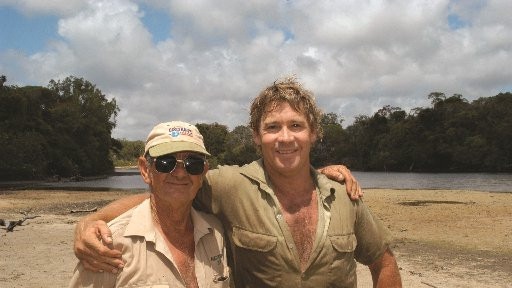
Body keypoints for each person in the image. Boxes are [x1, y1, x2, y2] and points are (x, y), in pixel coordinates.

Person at [74, 77, 401, 287]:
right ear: (257, 137)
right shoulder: (232, 185)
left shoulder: (343, 193)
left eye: (296, 126)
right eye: (272, 127)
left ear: (314, 133)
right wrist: (95, 220)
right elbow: (171, 192)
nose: (285, 138)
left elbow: (383, 261)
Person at [69, 121, 230, 287]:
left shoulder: (216, 234)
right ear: (145, 169)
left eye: (193, 163)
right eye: (166, 162)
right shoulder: (108, 246)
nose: (181, 173)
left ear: (203, 172)